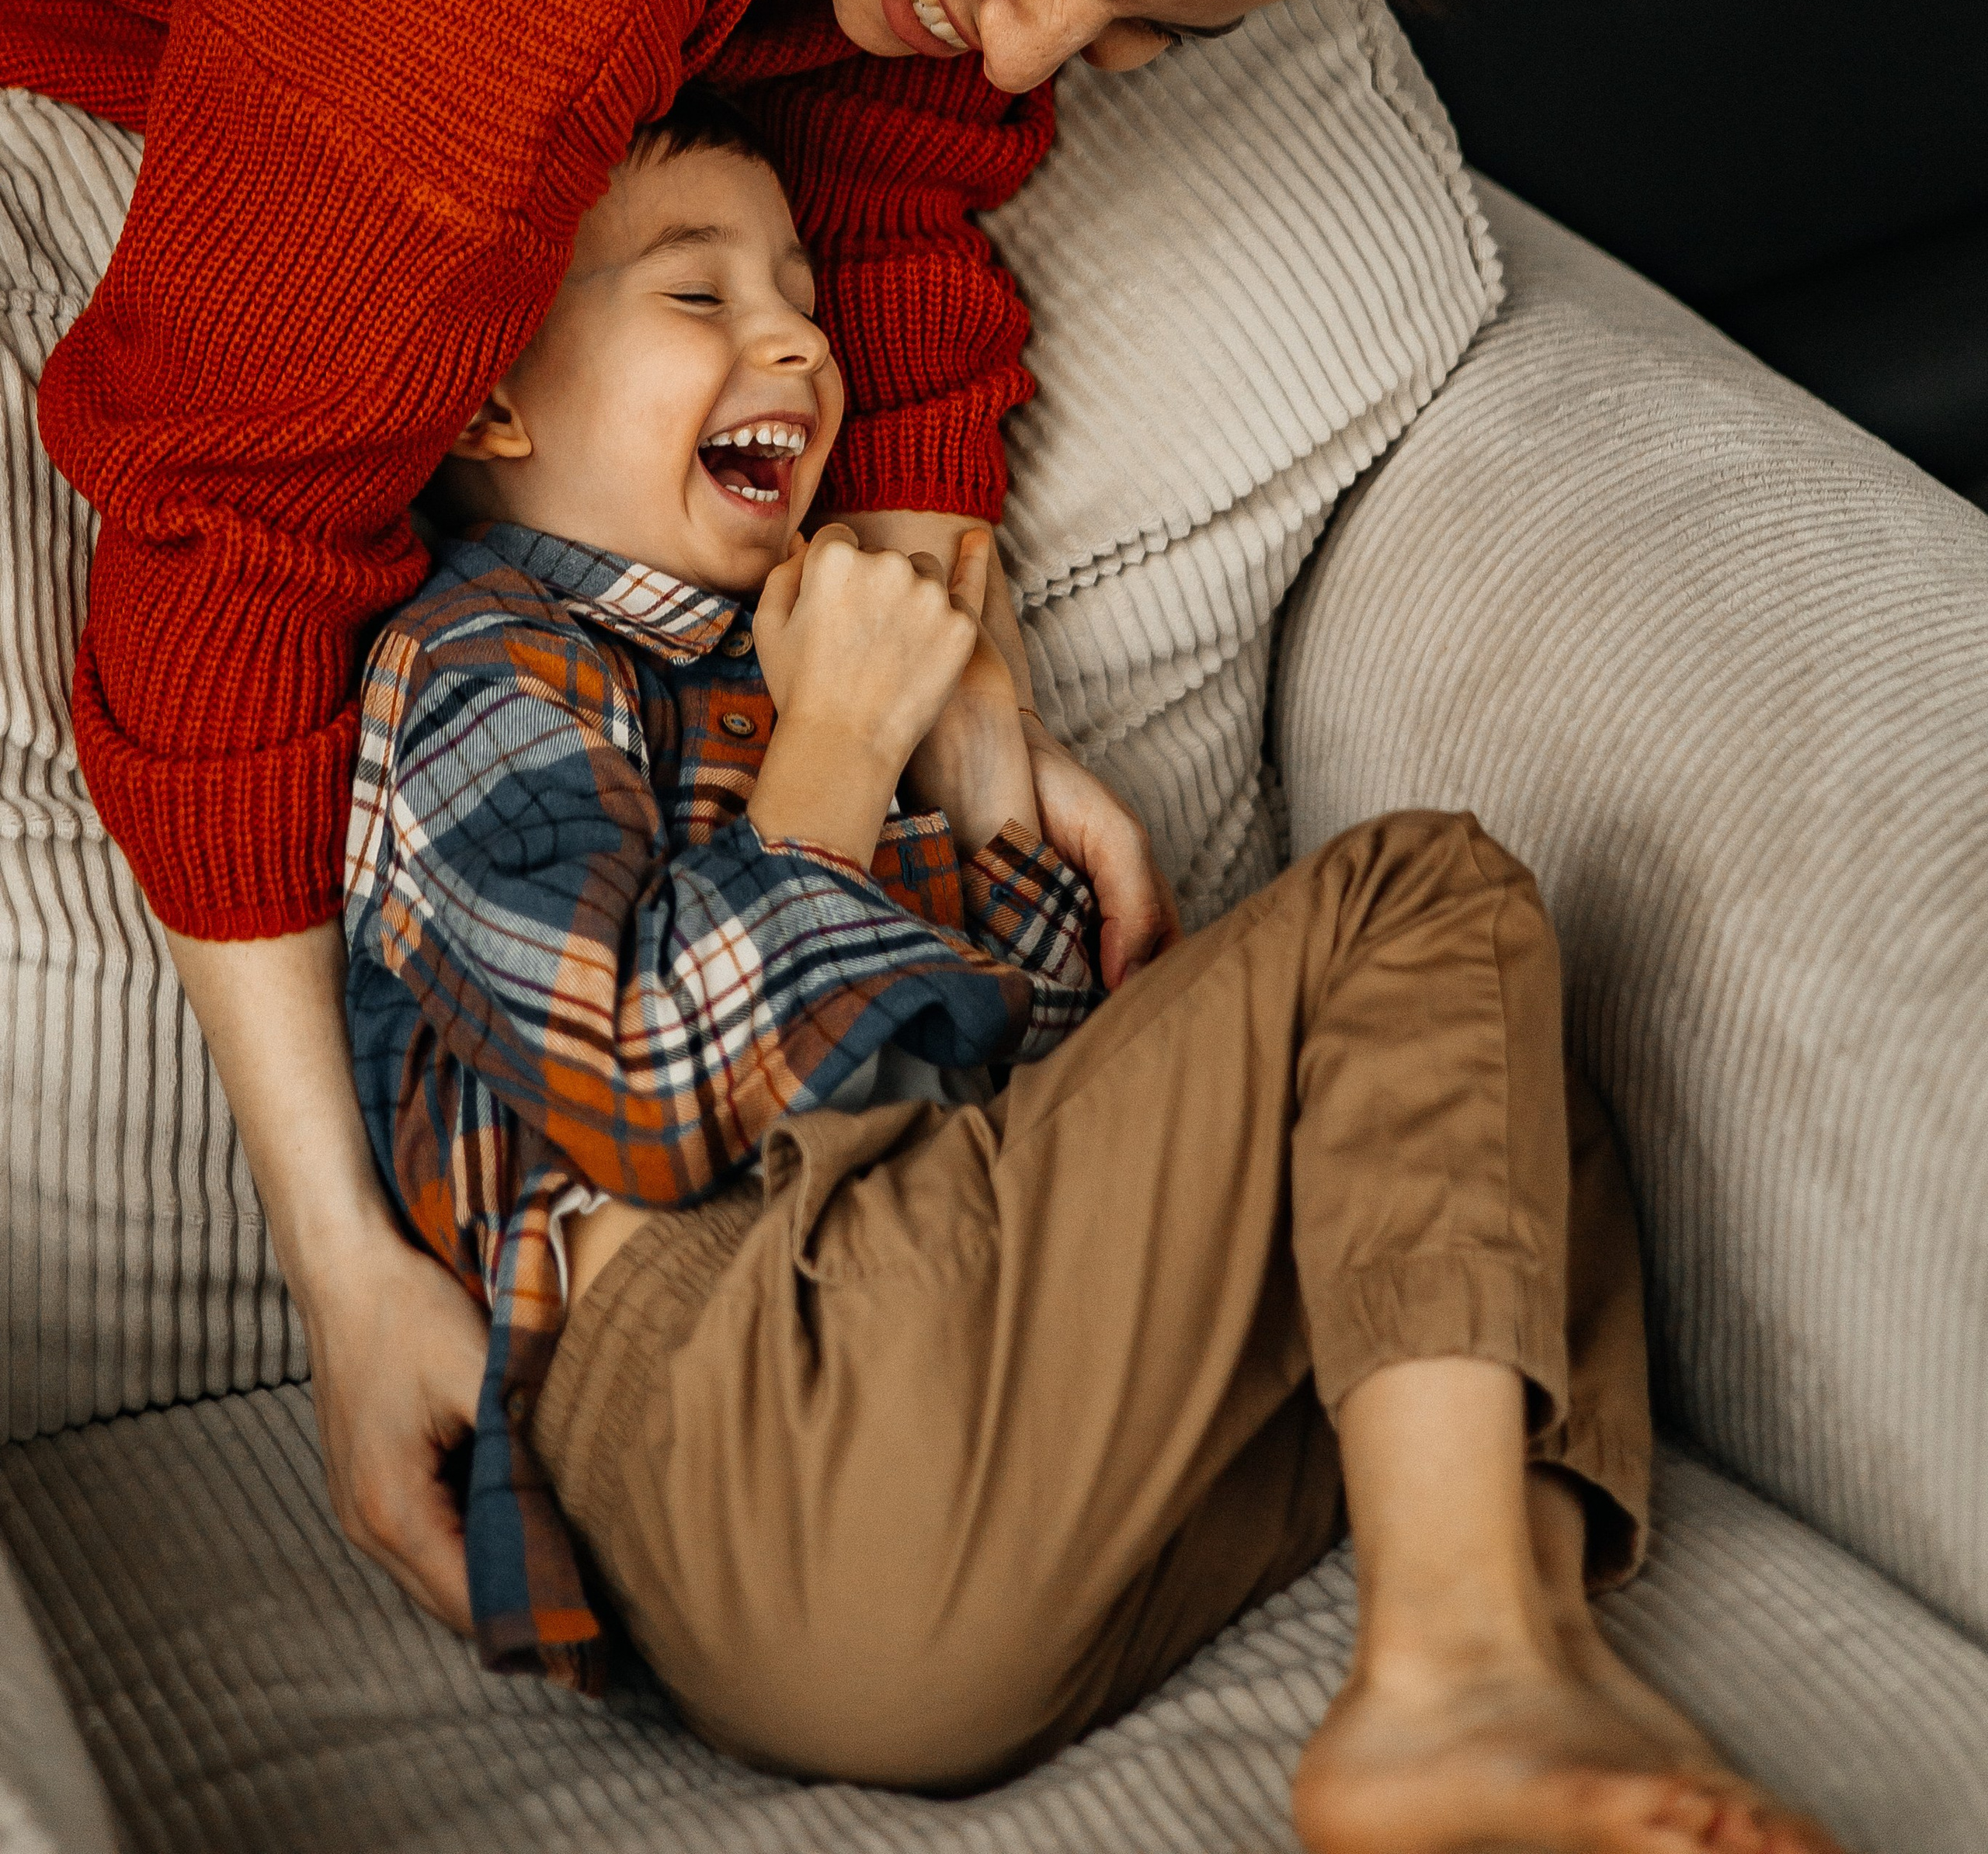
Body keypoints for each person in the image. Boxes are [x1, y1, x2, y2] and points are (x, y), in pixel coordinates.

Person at [0, 0, 1753, 1627]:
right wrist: (340, 1260)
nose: (1027, 54)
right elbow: (222, 521)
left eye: (1131, 36)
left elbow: (904, 140)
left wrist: (967, 688)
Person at [344, 91, 1843, 1854]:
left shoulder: (815, 667)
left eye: (804, 298)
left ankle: (1519, 1664)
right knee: (1418, 900)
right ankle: (1454, 1679)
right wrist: (827, 751)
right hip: (736, 1427)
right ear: (490, 399)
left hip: (953, 1596)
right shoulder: (481, 665)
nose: (794, 341)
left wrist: (972, 767)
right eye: (697, 299)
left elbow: (1047, 1102)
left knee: (1497, 1108)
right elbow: (643, 1086)